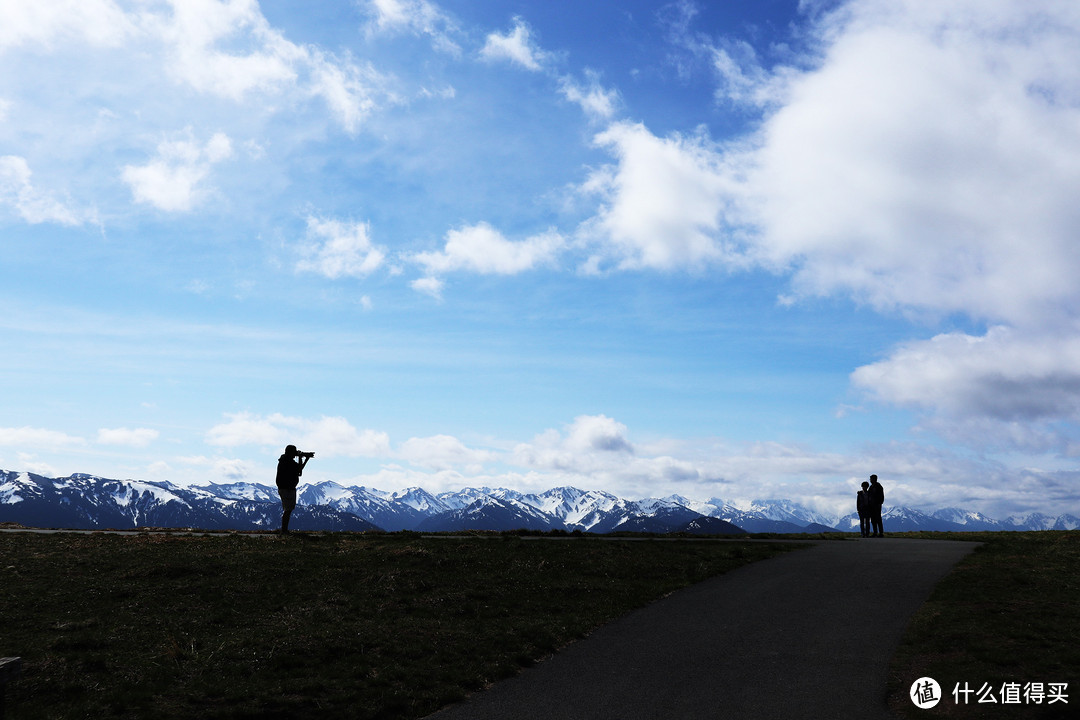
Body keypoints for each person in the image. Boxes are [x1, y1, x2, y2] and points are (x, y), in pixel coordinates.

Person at [276, 444, 311, 534]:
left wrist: (302, 458)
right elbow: (299, 469)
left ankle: (284, 530)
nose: (295, 454)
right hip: (287, 488)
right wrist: (304, 458)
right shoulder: (288, 462)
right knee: (288, 510)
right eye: (294, 452)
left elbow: (298, 470)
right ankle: (284, 530)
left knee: (288, 509)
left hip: (286, 488)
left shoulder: (284, 460)